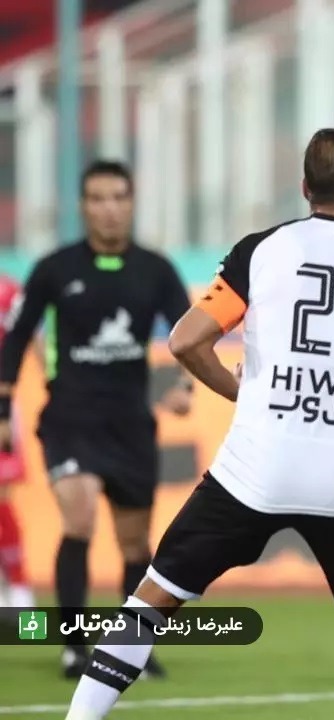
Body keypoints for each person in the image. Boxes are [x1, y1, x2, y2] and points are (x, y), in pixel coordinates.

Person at [63, 126, 334, 720]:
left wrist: (245, 394)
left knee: (152, 599)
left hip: (252, 476)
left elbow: (186, 341)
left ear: (305, 188)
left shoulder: (261, 250)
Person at [0, 161, 194, 679]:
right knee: (79, 518)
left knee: (134, 544)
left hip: (130, 425)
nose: (109, 208)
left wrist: (186, 385)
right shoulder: (54, 269)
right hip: (70, 420)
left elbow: (190, 332)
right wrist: (2, 408)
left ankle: (132, 647)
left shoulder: (155, 270)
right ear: (83, 206)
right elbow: (15, 340)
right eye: (98, 198)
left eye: (118, 197)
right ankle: (73, 646)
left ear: (131, 203)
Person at [0, 274, 32, 615]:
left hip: (1, 404)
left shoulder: (8, 291)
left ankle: (20, 588)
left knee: (2, 497)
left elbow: (32, 336)